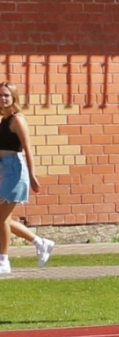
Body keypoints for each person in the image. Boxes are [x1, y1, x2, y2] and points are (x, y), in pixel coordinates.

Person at [0, 81, 45, 275]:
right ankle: (40, 243)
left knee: (1, 218)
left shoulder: (17, 119)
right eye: (0, 95)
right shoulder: (4, 120)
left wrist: (33, 175)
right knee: (3, 218)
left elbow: (28, 148)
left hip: (15, 171)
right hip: (4, 170)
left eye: (6, 95)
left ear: (13, 97)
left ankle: (3, 261)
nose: (3, 99)